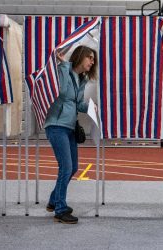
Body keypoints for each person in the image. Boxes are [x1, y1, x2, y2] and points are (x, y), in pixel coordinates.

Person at [44, 45, 98, 224]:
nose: (92, 61)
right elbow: (62, 93)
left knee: (73, 167)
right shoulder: (64, 71)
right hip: (57, 125)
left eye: (93, 59)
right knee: (66, 167)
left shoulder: (81, 79)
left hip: (69, 127)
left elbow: (76, 104)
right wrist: (65, 64)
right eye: (89, 57)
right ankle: (60, 209)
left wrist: (92, 107)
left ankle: (53, 201)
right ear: (80, 56)